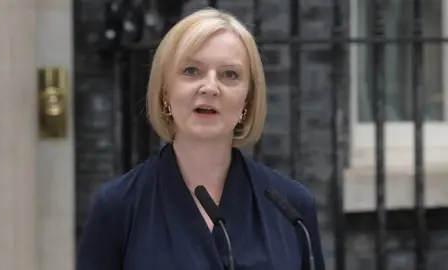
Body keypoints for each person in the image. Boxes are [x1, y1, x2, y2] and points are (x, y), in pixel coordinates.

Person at [77, 7, 326, 270]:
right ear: (165, 92)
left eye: (229, 74)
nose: (210, 87)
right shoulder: (118, 207)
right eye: (191, 71)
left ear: (247, 99)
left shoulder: (291, 208)